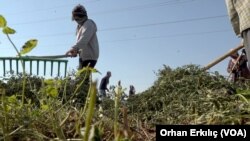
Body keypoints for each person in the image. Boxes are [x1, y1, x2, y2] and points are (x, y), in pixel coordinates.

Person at [65, 4, 99, 70]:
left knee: (82, 78)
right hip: (83, 57)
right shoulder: (80, 27)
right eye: (75, 19)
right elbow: (82, 44)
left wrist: (74, 48)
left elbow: (84, 39)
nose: (76, 20)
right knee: (80, 78)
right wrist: (76, 51)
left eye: (77, 18)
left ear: (82, 16)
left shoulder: (89, 23)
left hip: (90, 57)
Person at [225, 0, 250, 69]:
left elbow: (232, 12)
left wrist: (240, 34)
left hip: (247, 22)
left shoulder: (241, 57)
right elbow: (228, 70)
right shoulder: (231, 61)